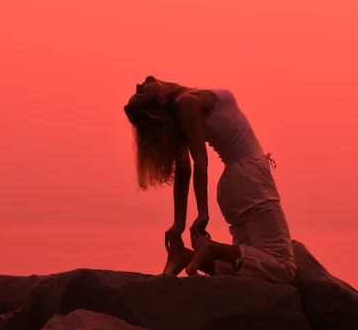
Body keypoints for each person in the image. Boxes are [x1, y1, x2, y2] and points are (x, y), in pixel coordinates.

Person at [124, 76, 296, 282]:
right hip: (250, 178)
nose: (138, 84)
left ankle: (185, 257)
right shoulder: (188, 102)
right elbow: (198, 161)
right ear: (161, 99)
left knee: (250, 268)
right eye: (140, 93)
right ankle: (209, 248)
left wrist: (179, 224)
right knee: (284, 267)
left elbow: (183, 169)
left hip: (236, 183)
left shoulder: (181, 108)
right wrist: (202, 214)